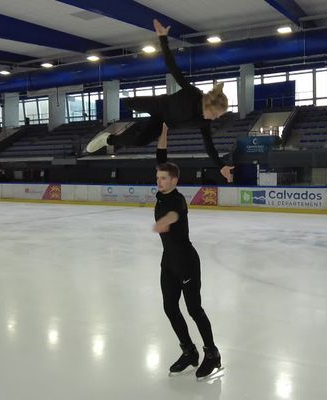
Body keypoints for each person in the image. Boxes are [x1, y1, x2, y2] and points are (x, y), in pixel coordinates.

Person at [87, 18, 234, 183]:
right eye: (215, 114)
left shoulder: (203, 123)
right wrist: (163, 39)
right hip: (158, 105)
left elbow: (210, 147)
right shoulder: (192, 93)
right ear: (208, 104)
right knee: (128, 103)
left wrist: (221, 166)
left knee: (140, 141)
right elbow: (173, 67)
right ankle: (122, 123)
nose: (215, 118)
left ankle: (108, 139)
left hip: (162, 121)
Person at [153, 125, 221, 378]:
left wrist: (165, 221)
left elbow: (174, 215)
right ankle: (189, 351)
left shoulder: (177, 200)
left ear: (175, 181)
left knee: (194, 309)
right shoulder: (162, 194)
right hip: (168, 262)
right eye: (158, 178)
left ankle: (212, 354)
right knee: (170, 307)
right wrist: (164, 130)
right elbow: (161, 157)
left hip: (186, 263)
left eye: (164, 179)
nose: (159, 181)